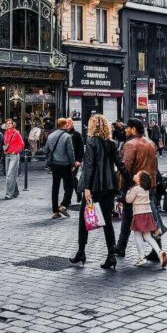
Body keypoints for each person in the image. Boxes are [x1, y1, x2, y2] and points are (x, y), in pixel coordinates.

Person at [70, 113, 125, 270]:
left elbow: (89, 166)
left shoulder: (91, 142)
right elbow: (119, 165)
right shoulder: (112, 143)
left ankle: (81, 252)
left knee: (83, 220)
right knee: (107, 221)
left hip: (94, 187)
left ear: (93, 126)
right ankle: (111, 255)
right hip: (109, 187)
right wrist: (129, 180)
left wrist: (87, 188)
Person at [116, 118, 161, 258]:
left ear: (134, 129)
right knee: (150, 214)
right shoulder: (151, 143)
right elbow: (155, 166)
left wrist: (121, 189)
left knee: (128, 216)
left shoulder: (130, 144)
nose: (125, 130)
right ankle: (156, 248)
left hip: (135, 186)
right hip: (150, 185)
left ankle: (121, 247)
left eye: (127, 127)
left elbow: (125, 168)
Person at [126, 172, 167, 268]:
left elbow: (128, 200)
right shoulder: (146, 190)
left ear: (139, 180)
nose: (135, 175)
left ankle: (141, 257)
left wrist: (128, 192)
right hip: (148, 215)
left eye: (137, 174)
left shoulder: (135, 189)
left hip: (138, 215)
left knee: (137, 235)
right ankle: (160, 252)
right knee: (148, 236)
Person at [45, 118, 75, 219]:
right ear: (64, 125)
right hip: (65, 164)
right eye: (66, 123)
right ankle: (64, 205)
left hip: (54, 164)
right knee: (69, 186)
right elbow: (70, 152)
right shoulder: (67, 136)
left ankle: (55, 211)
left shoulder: (50, 136)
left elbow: (46, 150)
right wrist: (73, 163)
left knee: (55, 187)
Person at [3, 119, 24, 199]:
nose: (8, 125)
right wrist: (5, 149)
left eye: (9, 123)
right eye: (6, 123)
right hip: (7, 155)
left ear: (13, 124)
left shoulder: (16, 133)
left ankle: (9, 194)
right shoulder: (6, 133)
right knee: (10, 174)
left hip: (14, 155)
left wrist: (15, 151)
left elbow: (21, 144)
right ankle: (15, 192)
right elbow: (6, 143)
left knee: (9, 174)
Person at [66, 118, 85, 203]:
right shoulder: (64, 134)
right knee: (66, 179)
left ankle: (78, 193)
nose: (67, 125)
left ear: (72, 124)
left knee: (72, 178)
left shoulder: (77, 134)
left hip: (74, 161)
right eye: (66, 123)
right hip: (65, 161)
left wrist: (78, 160)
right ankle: (68, 198)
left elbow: (81, 148)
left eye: (69, 123)